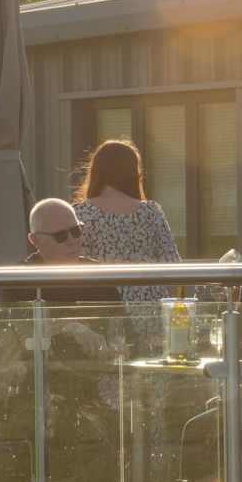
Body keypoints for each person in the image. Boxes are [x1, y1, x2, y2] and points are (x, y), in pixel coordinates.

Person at [72, 139, 180, 349]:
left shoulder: (80, 214)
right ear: (133, 172)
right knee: (150, 376)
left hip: (103, 315)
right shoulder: (151, 212)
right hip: (151, 318)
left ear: (96, 171)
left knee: (110, 374)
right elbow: (174, 266)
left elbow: (75, 267)